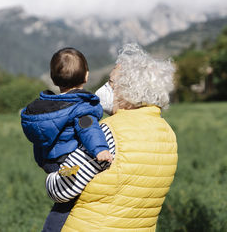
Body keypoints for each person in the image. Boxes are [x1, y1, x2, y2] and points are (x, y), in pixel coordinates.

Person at [46, 43, 178, 231]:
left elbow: (63, 187)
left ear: (129, 90)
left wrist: (53, 176)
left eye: (111, 82)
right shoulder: (167, 135)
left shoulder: (108, 133)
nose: (105, 87)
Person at [20, 47, 114, 231]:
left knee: (67, 198)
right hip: (66, 162)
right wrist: (100, 149)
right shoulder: (80, 107)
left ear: (53, 78)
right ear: (86, 76)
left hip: (48, 161)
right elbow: (88, 128)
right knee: (66, 204)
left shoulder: (48, 107)